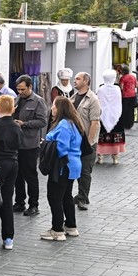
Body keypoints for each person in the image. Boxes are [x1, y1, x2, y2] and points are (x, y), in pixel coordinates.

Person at [41, 97, 84, 241]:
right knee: (66, 196)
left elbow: (62, 147)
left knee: (54, 197)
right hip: (73, 165)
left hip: (63, 166)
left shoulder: (64, 124)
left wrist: (47, 144)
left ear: (60, 108)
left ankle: (57, 229)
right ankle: (71, 226)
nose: (52, 108)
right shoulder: (73, 123)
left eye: (53, 105)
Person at [12, 75, 48, 218]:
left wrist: (25, 124)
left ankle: (34, 205)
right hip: (16, 145)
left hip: (30, 145)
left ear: (30, 87)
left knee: (30, 175)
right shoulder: (17, 99)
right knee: (17, 176)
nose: (20, 92)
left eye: (22, 89)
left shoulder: (38, 101)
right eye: (18, 89)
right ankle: (20, 202)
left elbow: (42, 122)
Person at [0, 95, 20, 251]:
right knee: (7, 201)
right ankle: (8, 238)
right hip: (13, 163)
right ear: (13, 108)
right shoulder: (16, 127)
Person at [71, 72, 101, 211]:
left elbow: (94, 122)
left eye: (78, 79)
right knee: (74, 169)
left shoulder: (92, 99)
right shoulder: (73, 97)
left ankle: (83, 198)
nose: (74, 81)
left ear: (86, 81)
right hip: (74, 140)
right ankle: (77, 195)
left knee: (85, 171)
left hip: (87, 142)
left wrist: (89, 142)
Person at [95, 70, 125, 165]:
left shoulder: (100, 89)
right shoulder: (117, 89)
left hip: (102, 115)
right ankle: (115, 157)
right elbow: (118, 103)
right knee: (115, 136)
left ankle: (100, 157)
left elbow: (98, 101)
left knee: (101, 135)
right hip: (115, 115)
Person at [119, 65, 138, 130]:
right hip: (132, 95)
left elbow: (121, 87)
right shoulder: (133, 77)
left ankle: (124, 123)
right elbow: (137, 85)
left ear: (123, 71)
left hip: (125, 96)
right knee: (131, 110)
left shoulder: (123, 78)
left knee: (124, 110)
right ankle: (130, 124)